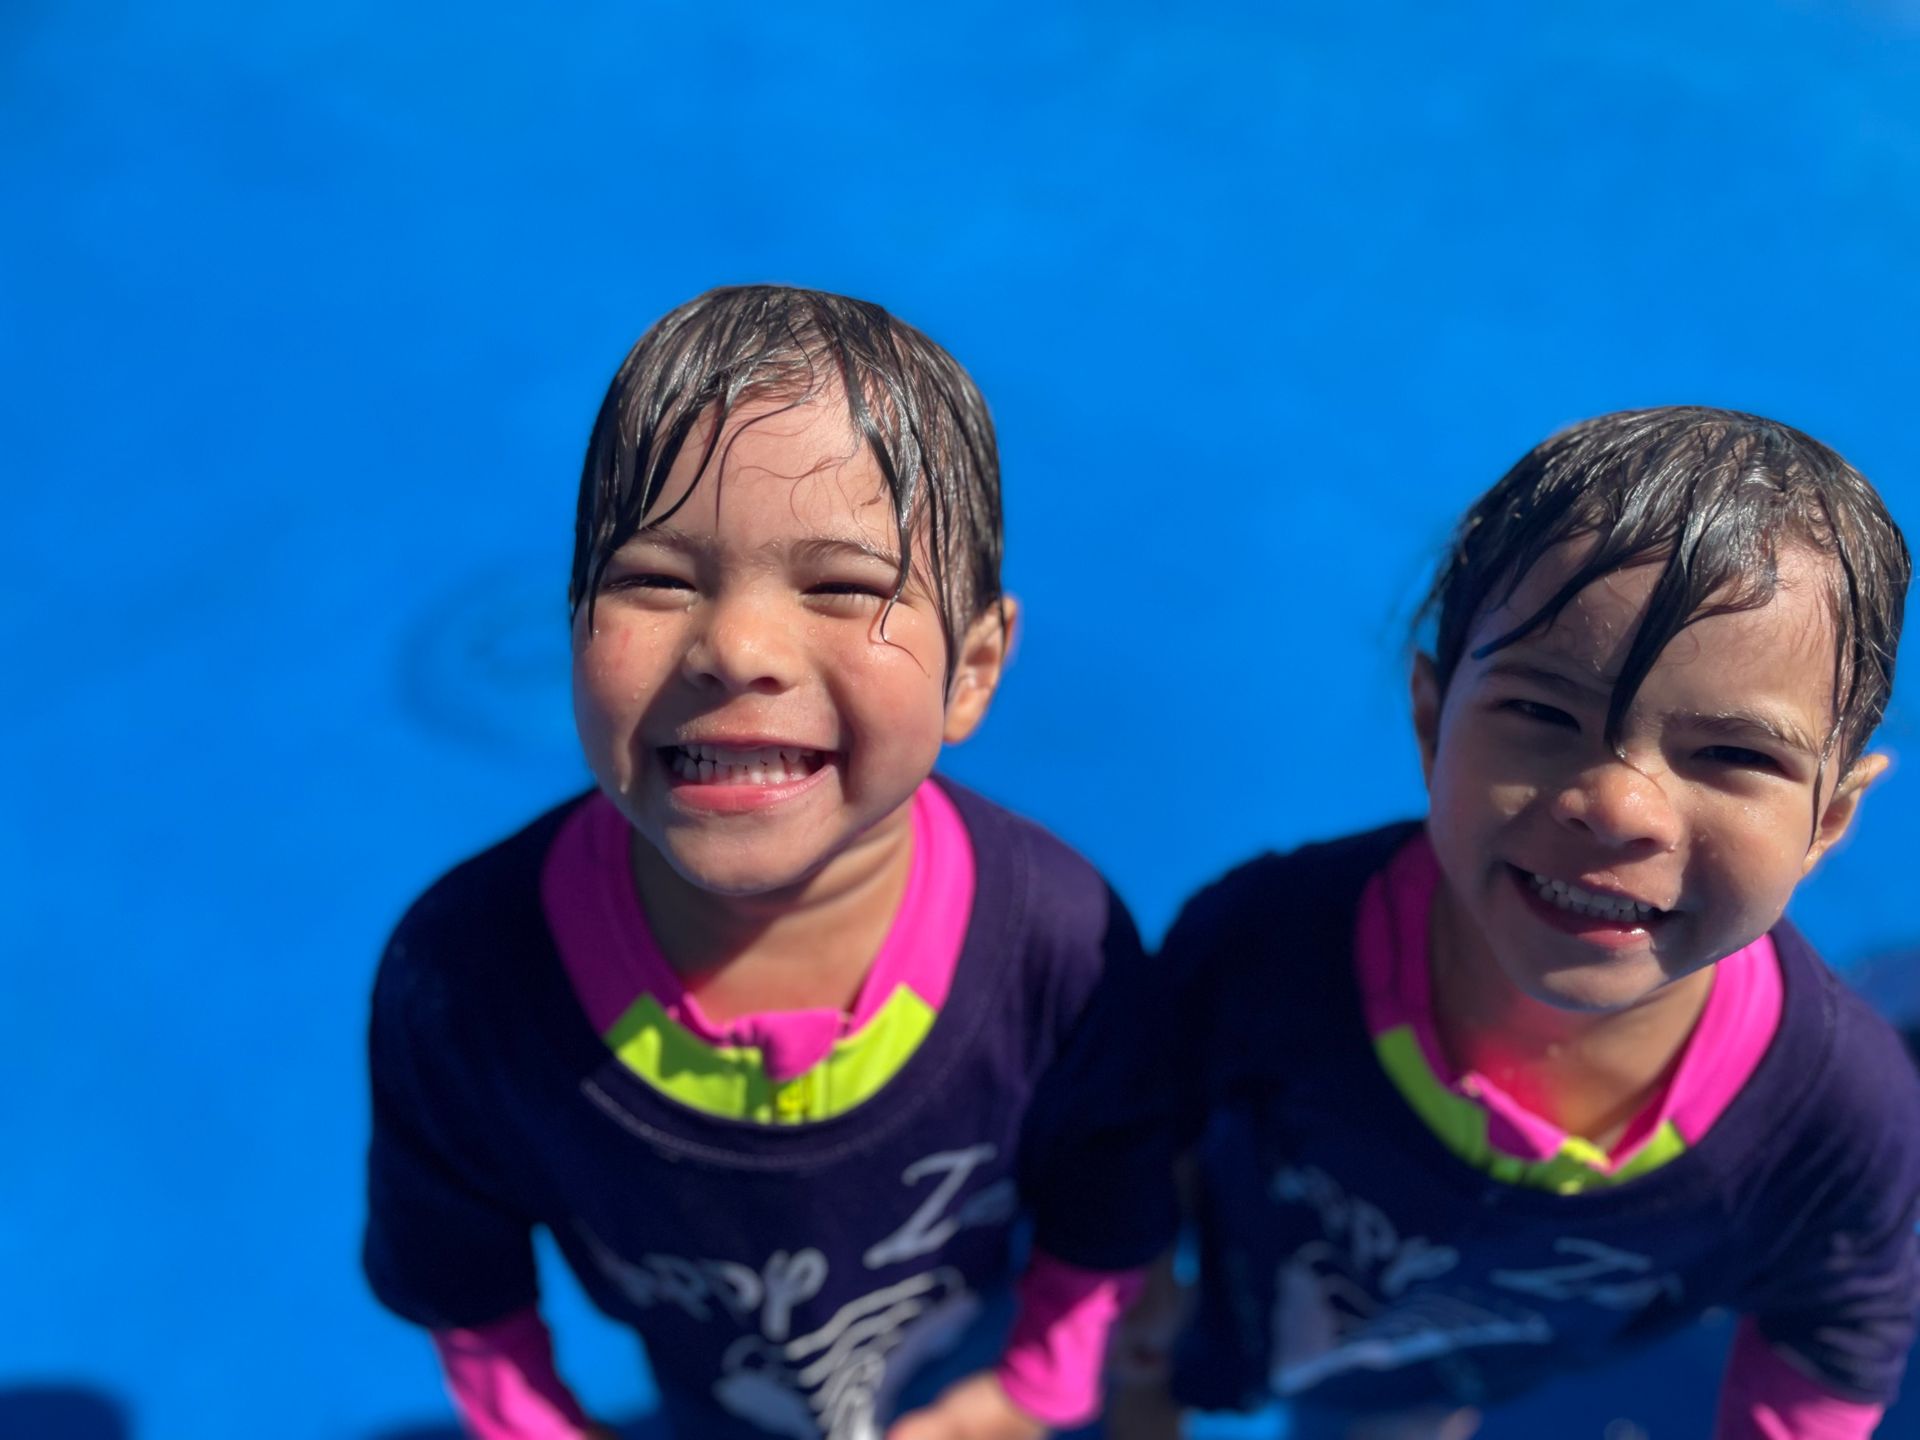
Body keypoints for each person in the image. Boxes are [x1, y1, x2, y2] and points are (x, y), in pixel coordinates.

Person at [363, 285, 1144, 1440]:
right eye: (654, 580)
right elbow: (462, 1281)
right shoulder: (468, 978)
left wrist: (1029, 1392)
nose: (736, 648)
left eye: (842, 588)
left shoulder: (1059, 943)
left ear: (973, 670)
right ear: (572, 625)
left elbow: (1107, 1199)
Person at [1071, 408, 1920, 1438]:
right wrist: (1133, 1347)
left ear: (1830, 815)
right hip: (1226, 1304)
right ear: (1431, 722)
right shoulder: (1273, 942)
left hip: (1448, 1375)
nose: (1619, 808)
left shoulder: (1841, 1122)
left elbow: (1833, 1342)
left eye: (1732, 758)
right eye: (1543, 716)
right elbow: (1131, 1127)